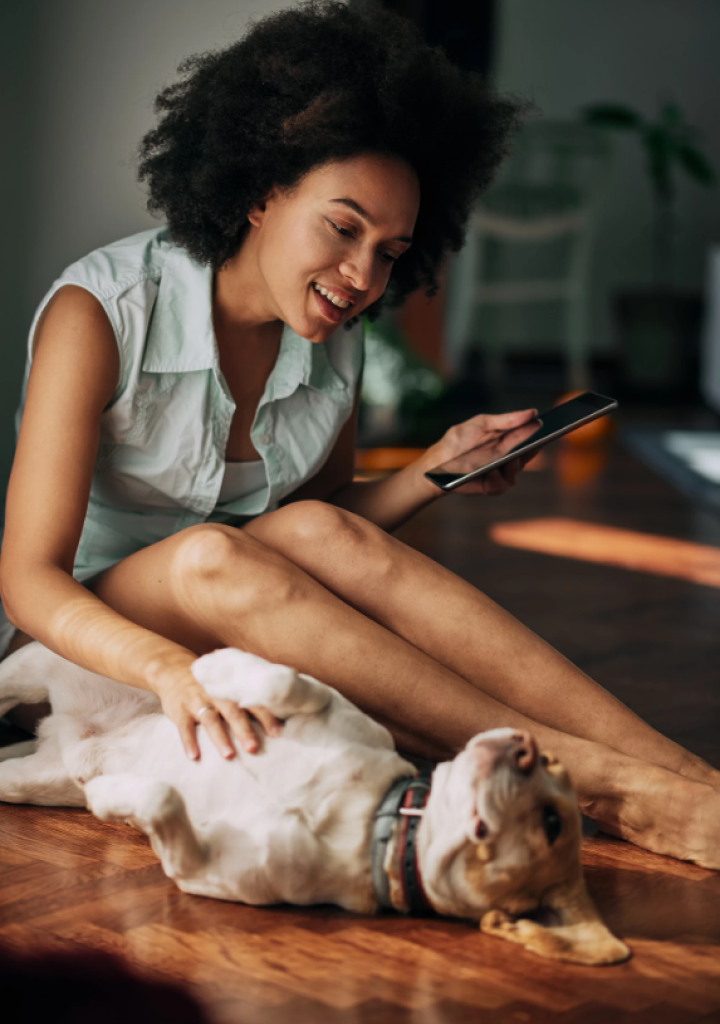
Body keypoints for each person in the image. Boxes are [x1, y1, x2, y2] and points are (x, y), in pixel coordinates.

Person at [1, 0, 719, 871]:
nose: (363, 277)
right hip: (89, 632)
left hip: (235, 602)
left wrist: (432, 470)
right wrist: (162, 668)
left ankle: (685, 779)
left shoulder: (335, 331)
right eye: (344, 229)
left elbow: (320, 530)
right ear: (262, 190)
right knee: (211, 557)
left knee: (303, 529)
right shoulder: (102, 313)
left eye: (391, 251)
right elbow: (27, 578)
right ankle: (605, 786)